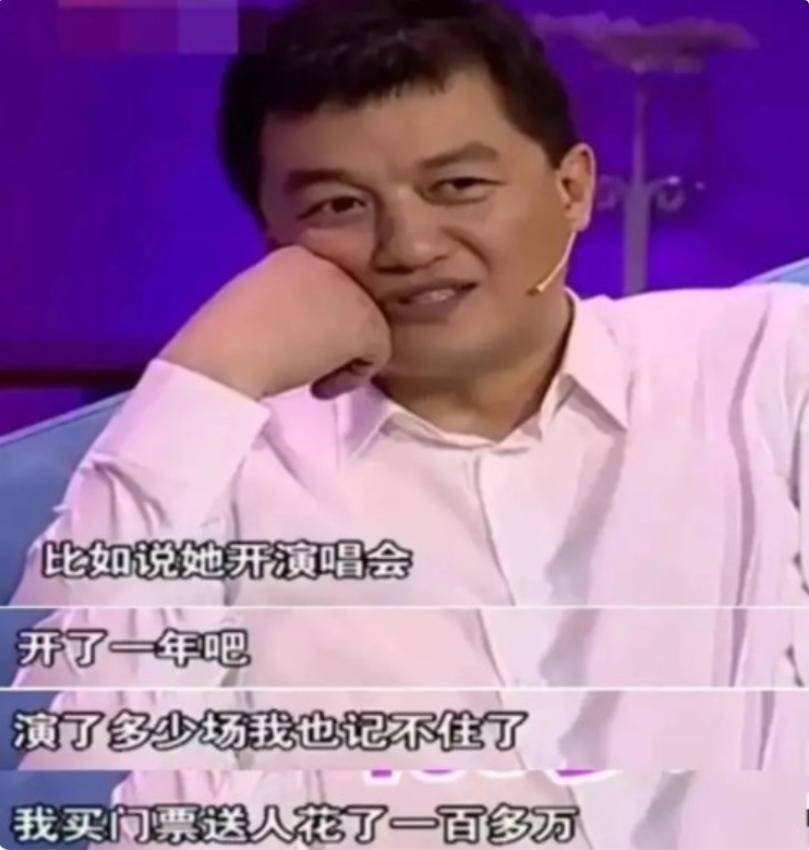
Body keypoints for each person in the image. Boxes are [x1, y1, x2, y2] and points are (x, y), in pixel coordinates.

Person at [9, 0, 809, 846]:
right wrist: (210, 373)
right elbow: (85, 769)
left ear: (571, 189)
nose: (409, 246)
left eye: (456, 187)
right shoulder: (217, 467)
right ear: (273, 244)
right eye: (338, 206)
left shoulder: (759, 364)